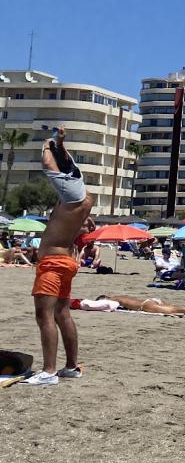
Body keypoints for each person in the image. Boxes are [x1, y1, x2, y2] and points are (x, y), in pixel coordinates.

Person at [23, 128, 94, 385]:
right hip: (65, 262)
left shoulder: (73, 196)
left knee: (45, 315)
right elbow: (66, 163)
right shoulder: (82, 197)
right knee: (63, 313)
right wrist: (60, 144)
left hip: (53, 264)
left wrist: (46, 142)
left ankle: (49, 371)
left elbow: (48, 165)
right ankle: (71, 367)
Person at [75, 294, 185, 317]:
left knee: (172, 310)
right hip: (150, 300)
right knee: (173, 306)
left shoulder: (112, 300)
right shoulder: (121, 296)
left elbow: (107, 306)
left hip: (145, 306)